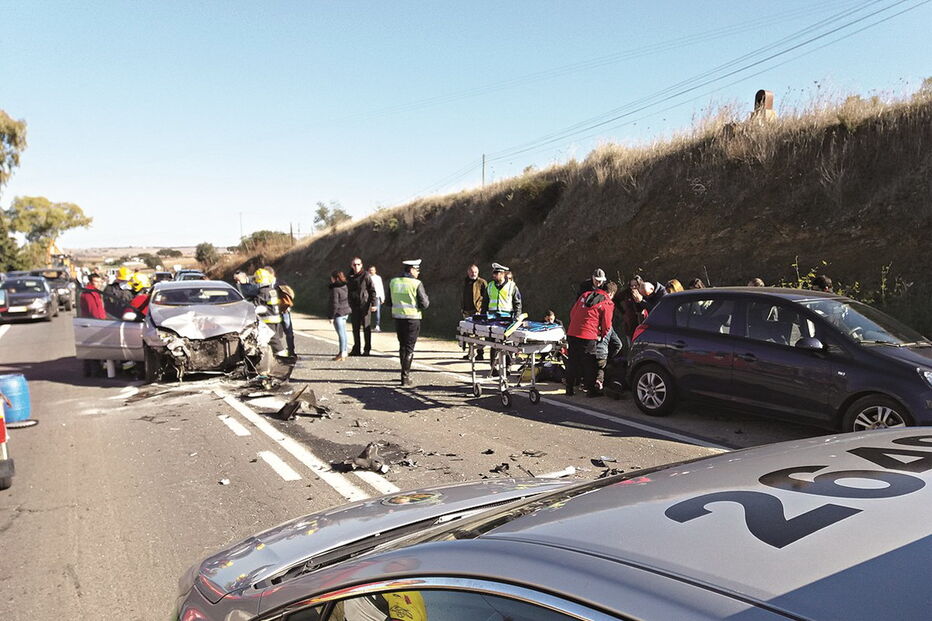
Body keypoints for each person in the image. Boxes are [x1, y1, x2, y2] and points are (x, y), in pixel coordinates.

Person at [566, 280, 614, 396]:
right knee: (589, 363)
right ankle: (591, 391)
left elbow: (572, 313)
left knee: (572, 361)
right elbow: (607, 323)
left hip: (572, 332)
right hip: (588, 334)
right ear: (611, 293)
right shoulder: (607, 302)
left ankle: (569, 389)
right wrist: (602, 334)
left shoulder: (585, 295)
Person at [386, 259, 429, 386]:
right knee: (410, 348)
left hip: (398, 318)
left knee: (402, 346)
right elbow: (424, 304)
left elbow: (388, 302)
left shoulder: (393, 282)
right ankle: (405, 377)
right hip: (412, 318)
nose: (418, 273)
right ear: (411, 270)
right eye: (417, 270)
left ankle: (403, 373)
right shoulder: (416, 283)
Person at [347, 257, 377, 356]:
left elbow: (372, 290)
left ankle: (367, 349)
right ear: (351, 266)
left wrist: (374, 303)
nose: (356, 266)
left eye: (358, 264)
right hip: (354, 306)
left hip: (365, 305)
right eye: (354, 265)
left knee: (366, 328)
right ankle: (356, 348)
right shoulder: (349, 276)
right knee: (355, 328)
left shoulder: (366, 275)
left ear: (361, 265)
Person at [254, 268, 288, 356]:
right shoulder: (272, 290)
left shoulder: (263, 291)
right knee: (275, 339)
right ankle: (276, 357)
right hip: (276, 319)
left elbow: (256, 305)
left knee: (274, 340)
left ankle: (284, 359)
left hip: (268, 320)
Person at [461, 264, 488, 360]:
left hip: (477, 312)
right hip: (466, 311)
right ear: (468, 272)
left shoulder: (482, 282)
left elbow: (486, 298)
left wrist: (481, 310)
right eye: (472, 272)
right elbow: (463, 296)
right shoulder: (465, 282)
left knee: (479, 333)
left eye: (475, 272)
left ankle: (480, 353)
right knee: (469, 333)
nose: (474, 274)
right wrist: (462, 308)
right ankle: (470, 353)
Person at [267, 266, 296, 357]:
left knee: (289, 332)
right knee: (274, 333)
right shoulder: (265, 284)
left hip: (284, 311)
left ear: (271, 274)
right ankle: (276, 351)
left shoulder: (281, 283)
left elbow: (290, 294)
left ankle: (291, 351)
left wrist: (287, 304)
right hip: (272, 313)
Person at [328, 270, 351, 361]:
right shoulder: (345, 286)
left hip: (339, 313)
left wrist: (331, 316)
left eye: (332, 278)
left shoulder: (335, 289)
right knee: (344, 333)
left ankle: (342, 353)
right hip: (346, 311)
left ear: (335, 278)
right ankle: (344, 351)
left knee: (341, 334)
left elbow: (334, 304)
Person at [368, 266, 384, 332]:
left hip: (377, 296)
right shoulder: (367, 277)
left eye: (372, 270)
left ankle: (377, 325)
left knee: (377, 312)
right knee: (367, 311)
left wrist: (382, 297)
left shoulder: (378, 278)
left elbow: (381, 287)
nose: (371, 271)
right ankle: (367, 325)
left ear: (375, 271)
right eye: (370, 270)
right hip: (368, 297)